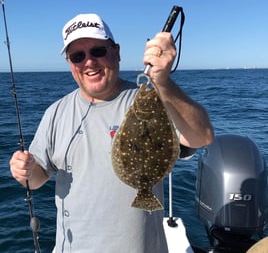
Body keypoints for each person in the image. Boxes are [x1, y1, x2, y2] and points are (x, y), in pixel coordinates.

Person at [10, 13, 214, 253]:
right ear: (69, 63)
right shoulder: (56, 112)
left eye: (97, 51)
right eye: (78, 56)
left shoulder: (152, 98)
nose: (89, 62)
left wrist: (162, 81)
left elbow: (202, 137)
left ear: (116, 52)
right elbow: (36, 179)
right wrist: (26, 170)